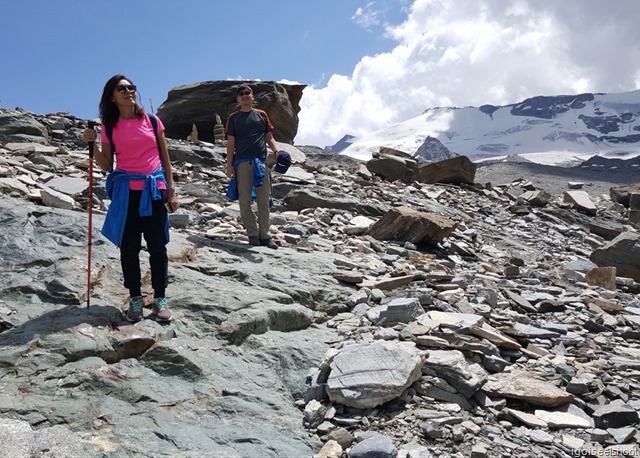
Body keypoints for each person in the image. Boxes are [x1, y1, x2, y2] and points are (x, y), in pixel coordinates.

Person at [82, 74, 178, 323]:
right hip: (127, 192)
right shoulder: (109, 128)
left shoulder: (152, 120)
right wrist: (92, 146)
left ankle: (160, 298)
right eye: (121, 88)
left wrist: (171, 188)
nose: (128, 91)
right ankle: (135, 297)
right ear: (112, 96)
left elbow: (165, 158)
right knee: (129, 247)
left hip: (154, 189)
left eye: (131, 87)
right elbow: (107, 166)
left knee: (158, 246)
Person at [225, 85, 280, 249]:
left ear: (252, 96)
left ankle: (265, 236)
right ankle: (252, 234)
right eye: (241, 94)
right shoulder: (233, 118)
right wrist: (229, 165)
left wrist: (277, 151)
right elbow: (230, 142)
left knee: (263, 200)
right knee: (244, 200)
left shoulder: (261, 115)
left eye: (247, 93)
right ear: (238, 99)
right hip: (241, 162)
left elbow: (269, 137)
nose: (244, 96)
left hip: (261, 163)